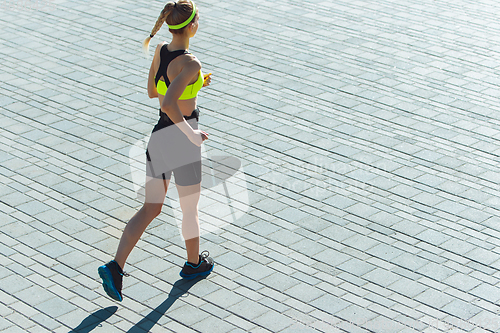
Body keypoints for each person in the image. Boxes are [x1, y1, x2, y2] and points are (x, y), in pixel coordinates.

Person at [98, 0, 214, 302]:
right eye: (198, 19)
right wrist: (191, 133)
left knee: (151, 207)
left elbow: (154, 91)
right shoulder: (192, 63)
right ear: (191, 26)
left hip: (159, 136)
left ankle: (115, 267)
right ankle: (193, 264)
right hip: (181, 140)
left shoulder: (162, 49)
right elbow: (167, 101)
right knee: (189, 207)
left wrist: (196, 83)